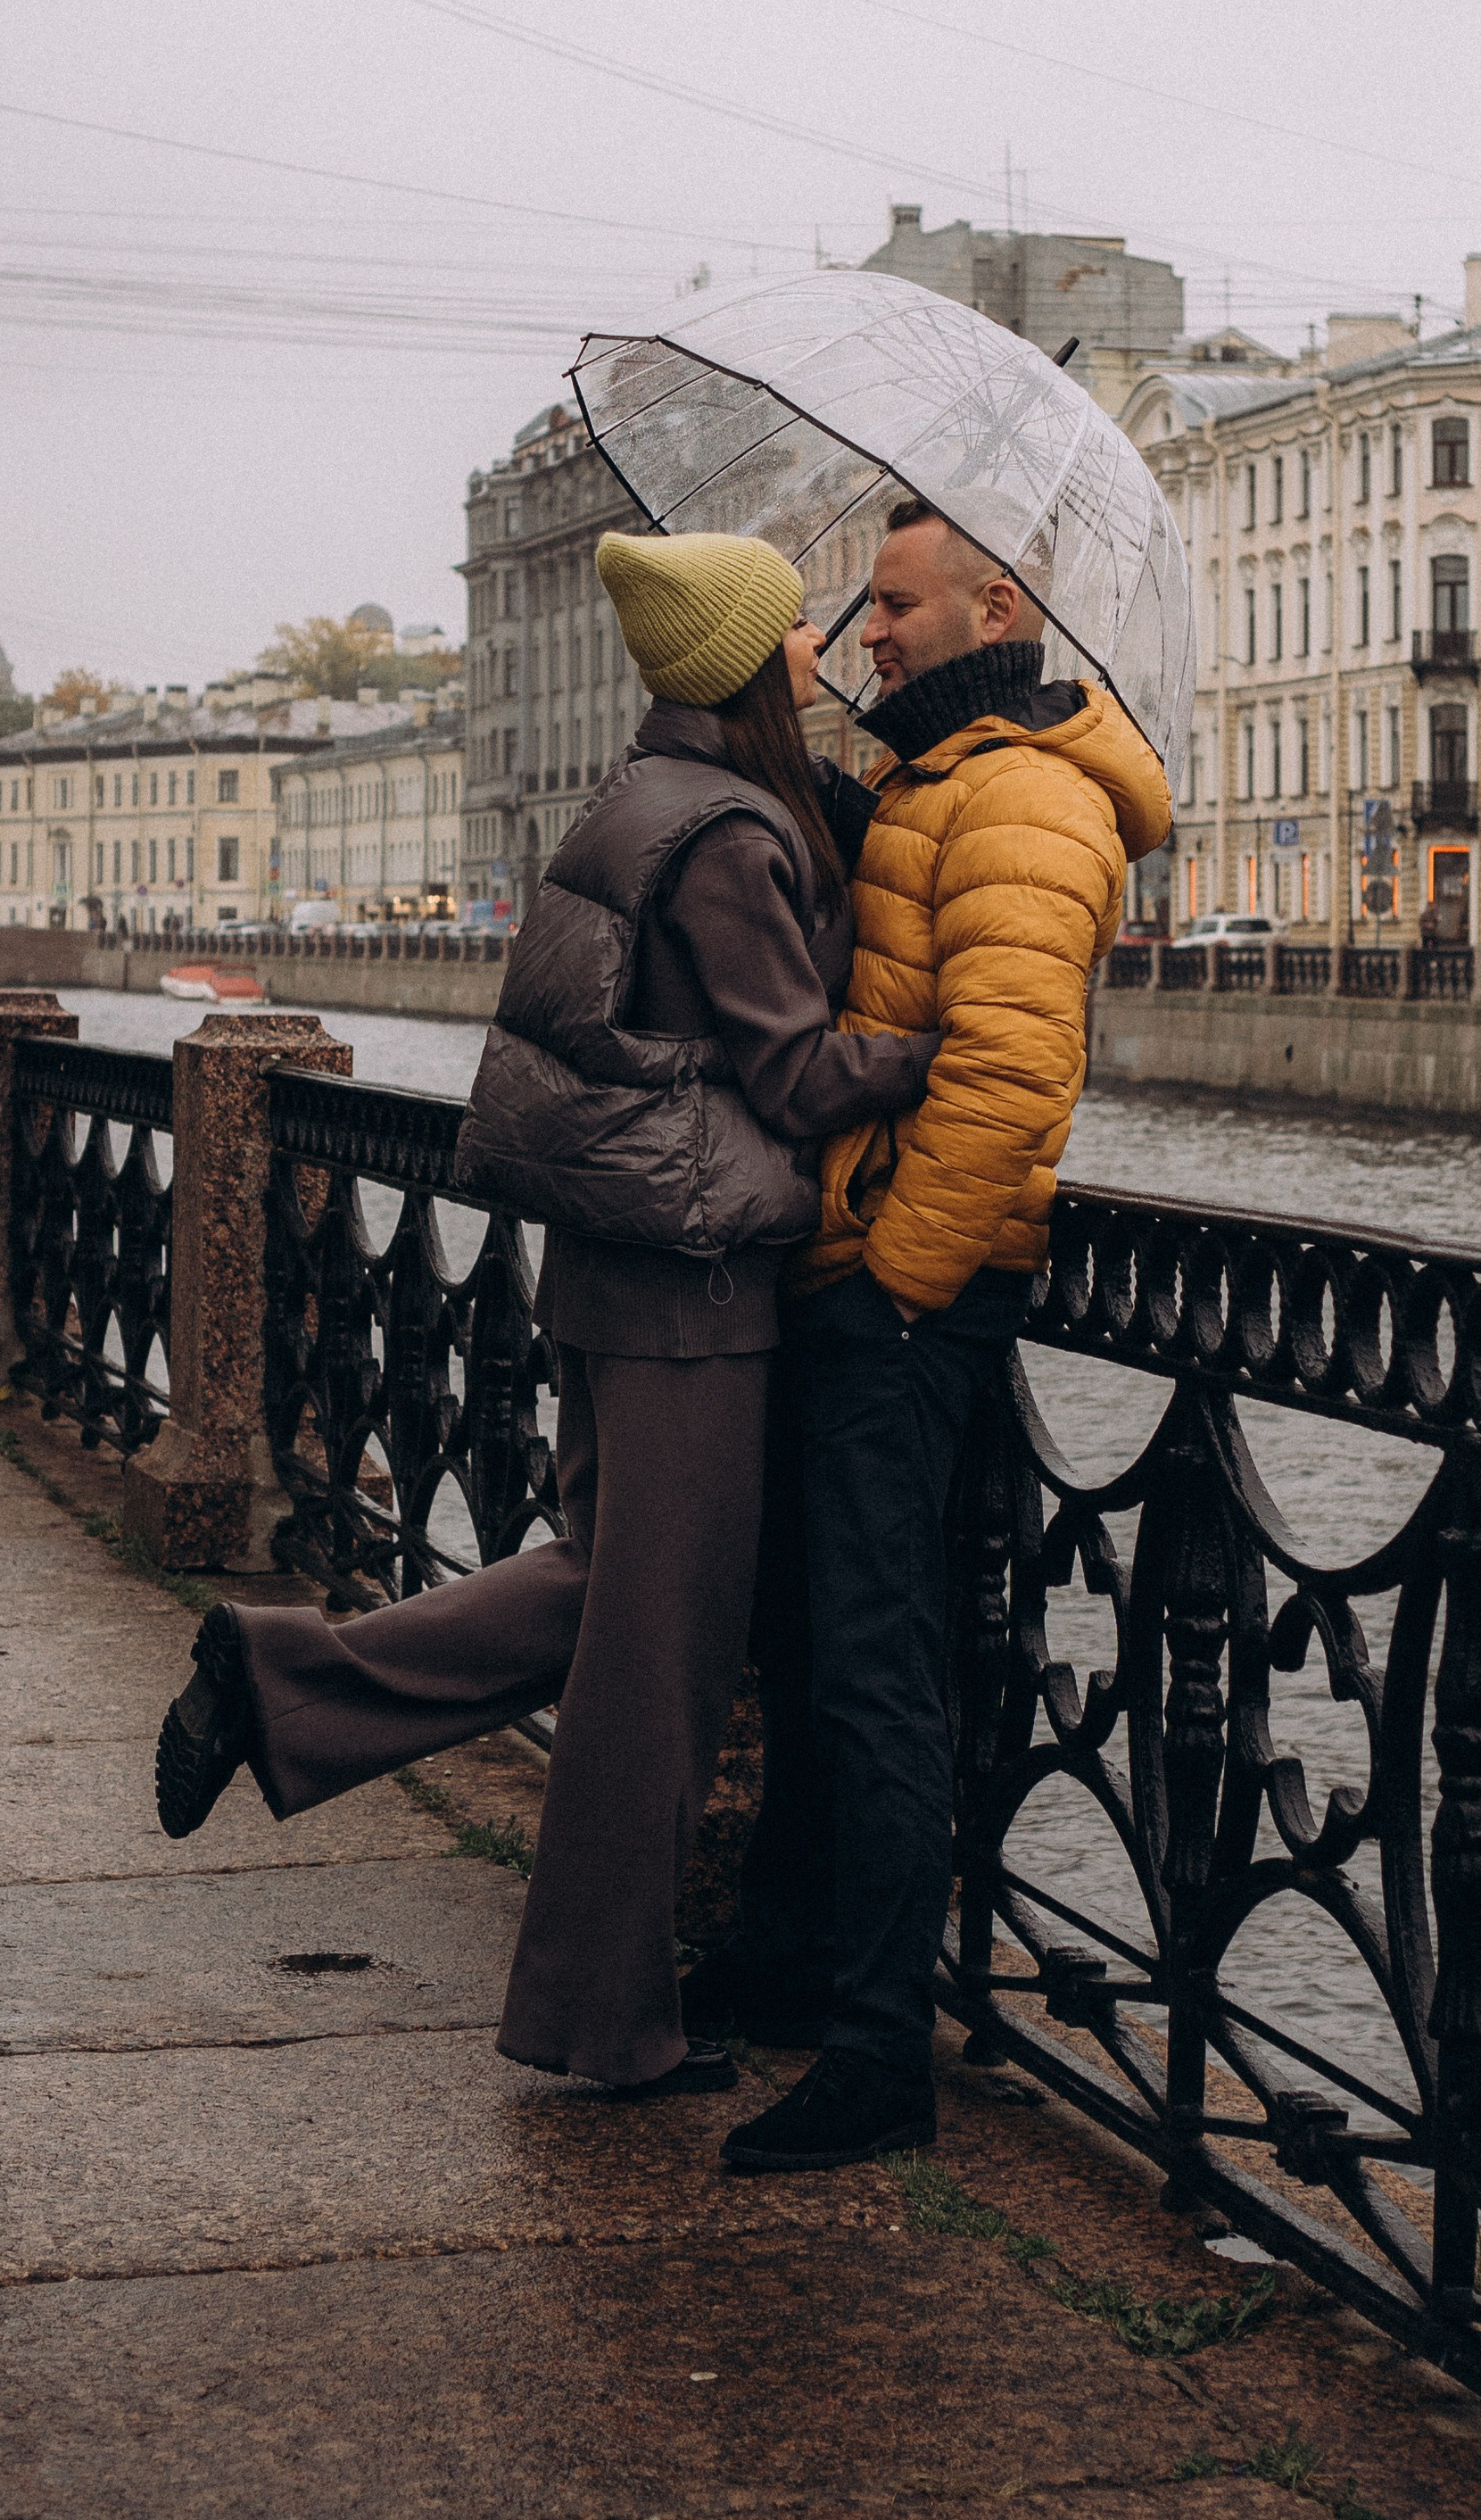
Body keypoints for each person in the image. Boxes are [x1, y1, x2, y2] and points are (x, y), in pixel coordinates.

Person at [152, 530, 934, 2098]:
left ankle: (284, 1687)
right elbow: (791, 1070)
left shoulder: (644, 794)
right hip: (693, 1282)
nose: (814, 654)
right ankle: (601, 2019)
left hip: (613, 1263)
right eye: (790, 634)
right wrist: (938, 1039)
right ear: (738, 660)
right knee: (660, 1652)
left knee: (607, 1594)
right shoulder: (727, 832)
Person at [698, 496, 1173, 2175]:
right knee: (819, 1647)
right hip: (865, 1282)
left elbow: (1005, 1078)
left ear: (995, 606)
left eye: (893, 604)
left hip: (913, 1304)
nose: (867, 629)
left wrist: (893, 1282)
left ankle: (878, 2046)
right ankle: (789, 1962)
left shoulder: (1031, 799)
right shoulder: (940, 777)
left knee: (882, 1669)